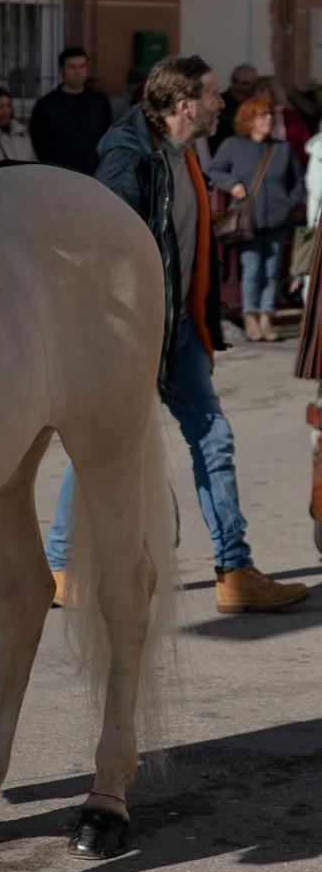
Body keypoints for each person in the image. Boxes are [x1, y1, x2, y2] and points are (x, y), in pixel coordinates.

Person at [45, 55, 307, 615]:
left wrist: (201, 329)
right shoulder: (129, 157)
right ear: (185, 105)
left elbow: (191, 256)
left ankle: (234, 571)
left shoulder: (186, 154)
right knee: (104, 446)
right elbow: (104, 250)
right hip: (134, 336)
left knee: (215, 440)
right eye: (212, 95)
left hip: (180, 331)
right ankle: (61, 566)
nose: (221, 103)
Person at [208, 96, 304, 342]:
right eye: (263, 115)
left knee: (271, 271)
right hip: (248, 220)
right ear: (249, 119)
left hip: (277, 220)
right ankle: (250, 315)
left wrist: (289, 203)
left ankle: (266, 317)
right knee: (252, 269)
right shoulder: (233, 145)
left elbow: (298, 180)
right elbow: (214, 170)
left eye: (270, 114)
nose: (269, 119)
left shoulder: (282, 148)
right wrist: (232, 184)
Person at [27, 46, 113, 175]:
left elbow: (108, 135)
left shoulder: (99, 101)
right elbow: (37, 140)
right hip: (59, 175)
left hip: (94, 174)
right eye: (72, 67)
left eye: (82, 66)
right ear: (62, 69)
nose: (78, 71)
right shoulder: (45, 105)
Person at [207, 63, 258, 156]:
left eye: (246, 83)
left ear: (255, 85)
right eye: (235, 81)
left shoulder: (259, 106)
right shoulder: (217, 103)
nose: (239, 87)